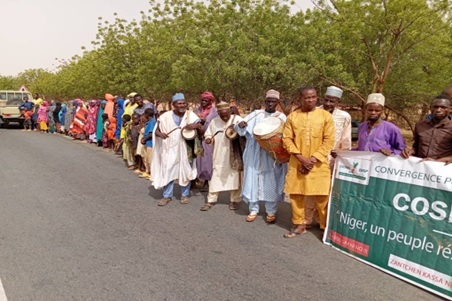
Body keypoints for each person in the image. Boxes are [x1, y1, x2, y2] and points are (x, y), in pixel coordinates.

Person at [282, 87, 335, 238]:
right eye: (307, 97)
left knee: (322, 196)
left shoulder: (325, 116)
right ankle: (300, 224)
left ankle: (325, 227)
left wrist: (312, 159)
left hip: (318, 163)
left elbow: (329, 140)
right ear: (300, 99)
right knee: (296, 194)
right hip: (297, 161)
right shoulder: (293, 117)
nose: (310, 100)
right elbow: (286, 139)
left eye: (313, 97)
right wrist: (301, 158)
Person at [233, 89, 287, 223]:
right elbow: (239, 128)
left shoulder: (281, 117)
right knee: (252, 179)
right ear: (265, 102)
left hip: (272, 156)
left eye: (273, 102)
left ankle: (271, 211)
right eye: (268, 101)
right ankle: (253, 209)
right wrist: (241, 125)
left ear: (278, 103)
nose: (270, 104)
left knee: (271, 181)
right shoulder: (256, 114)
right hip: (255, 152)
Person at [151, 93, 201, 206]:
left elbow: (200, 126)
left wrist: (196, 126)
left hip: (186, 147)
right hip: (169, 148)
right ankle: (167, 196)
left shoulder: (190, 115)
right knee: (168, 169)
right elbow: (156, 130)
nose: (182, 105)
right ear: (173, 104)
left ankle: (184, 195)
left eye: (184, 103)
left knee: (186, 169)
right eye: (179, 103)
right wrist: (161, 134)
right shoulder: (165, 117)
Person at [200, 101, 243, 211]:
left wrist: (242, 127)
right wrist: (208, 139)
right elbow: (208, 133)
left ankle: (235, 200)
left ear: (230, 111)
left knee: (235, 177)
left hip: (234, 154)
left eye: (226, 115)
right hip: (219, 154)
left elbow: (245, 132)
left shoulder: (237, 120)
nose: (224, 117)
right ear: (218, 113)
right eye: (222, 115)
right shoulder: (214, 122)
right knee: (216, 176)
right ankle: (211, 200)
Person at [401, 95, 451, 164]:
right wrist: (410, 151)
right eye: (435, 107)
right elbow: (416, 147)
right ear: (430, 108)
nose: (438, 110)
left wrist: (437, 162)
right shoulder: (420, 125)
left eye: (443, 107)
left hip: (442, 170)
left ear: (450, 109)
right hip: (420, 167)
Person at [321, 86, 352, 163]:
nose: (328, 104)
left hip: (332, 158)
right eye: (326, 100)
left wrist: (342, 156)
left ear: (338, 102)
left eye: (332, 101)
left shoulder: (344, 116)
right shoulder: (314, 112)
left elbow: (346, 140)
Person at [140, 108, 156, 180]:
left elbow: (151, 133)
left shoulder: (152, 122)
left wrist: (144, 139)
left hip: (150, 143)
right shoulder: (148, 122)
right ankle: (147, 171)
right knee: (146, 157)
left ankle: (153, 174)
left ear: (146, 114)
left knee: (150, 159)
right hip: (147, 143)